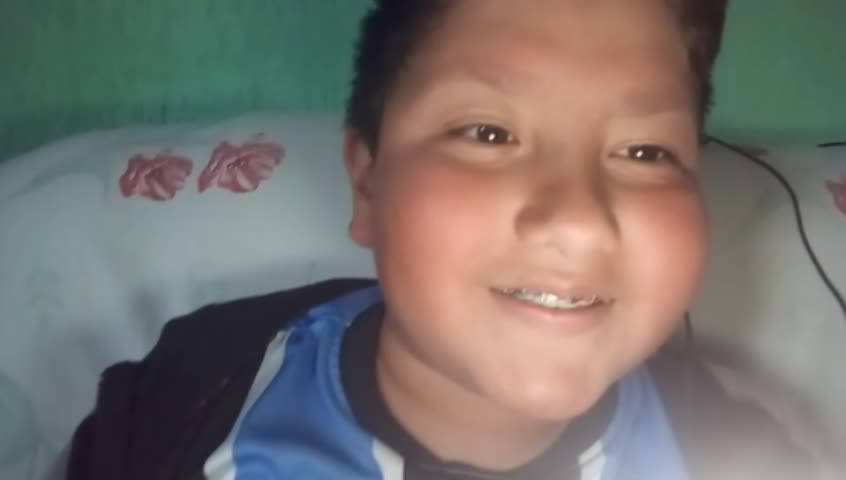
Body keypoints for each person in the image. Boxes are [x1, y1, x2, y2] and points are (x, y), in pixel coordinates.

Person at [66, 0, 816, 478]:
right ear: (368, 184)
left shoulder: (738, 454)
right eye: (487, 133)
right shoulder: (188, 397)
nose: (578, 218)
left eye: (646, 152)